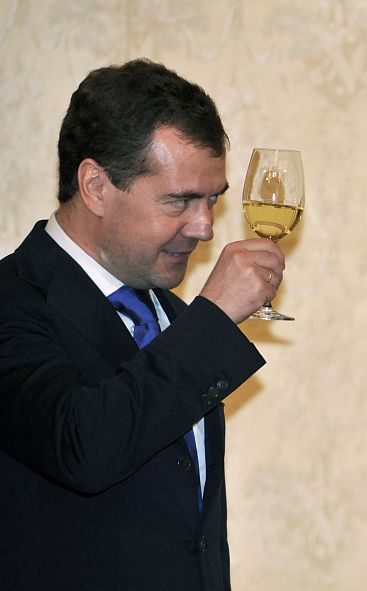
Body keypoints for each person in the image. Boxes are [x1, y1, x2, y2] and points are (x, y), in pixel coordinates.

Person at [0, 59, 285, 591]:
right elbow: (82, 445)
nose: (204, 228)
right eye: (180, 201)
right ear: (95, 186)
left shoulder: (173, 318)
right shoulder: (14, 299)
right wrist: (216, 319)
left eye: (212, 200)